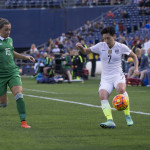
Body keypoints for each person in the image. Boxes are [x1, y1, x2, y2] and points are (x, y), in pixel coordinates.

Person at [76, 26, 139, 128]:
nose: (106, 41)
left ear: (114, 36)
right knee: (102, 95)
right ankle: (110, 121)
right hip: (106, 78)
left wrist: (136, 69)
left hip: (117, 75)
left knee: (121, 88)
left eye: (108, 38)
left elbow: (135, 56)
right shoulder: (101, 46)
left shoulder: (121, 47)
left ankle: (127, 115)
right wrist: (81, 48)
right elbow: (85, 51)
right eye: (104, 38)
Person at [0, 18, 35, 128]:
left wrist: (25, 57)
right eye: (6, 29)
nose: (8, 32)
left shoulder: (10, 40)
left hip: (12, 72)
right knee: (3, 104)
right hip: (1, 75)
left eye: (9, 29)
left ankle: (23, 122)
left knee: (19, 95)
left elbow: (12, 52)